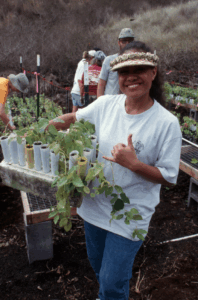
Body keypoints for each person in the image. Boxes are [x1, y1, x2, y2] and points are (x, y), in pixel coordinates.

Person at [47, 41, 182, 300]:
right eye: (123, 71)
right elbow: (74, 118)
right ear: (117, 76)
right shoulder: (106, 104)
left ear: (153, 72)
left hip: (130, 215)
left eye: (139, 69)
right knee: (100, 270)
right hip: (94, 208)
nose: (131, 76)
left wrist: (135, 165)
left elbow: (169, 177)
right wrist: (41, 128)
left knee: (111, 282)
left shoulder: (167, 123)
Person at [97, 28, 135, 97]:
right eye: (123, 41)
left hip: (128, 103)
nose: (127, 44)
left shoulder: (137, 62)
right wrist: (100, 104)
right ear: (119, 43)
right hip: (110, 103)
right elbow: (101, 84)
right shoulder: (109, 60)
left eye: (130, 41)